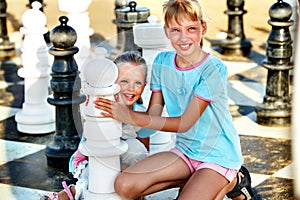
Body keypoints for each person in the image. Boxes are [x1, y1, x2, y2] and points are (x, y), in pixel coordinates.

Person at [95, 0, 256, 199]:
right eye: (175, 30)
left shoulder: (213, 69)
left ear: (203, 28)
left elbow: (184, 124)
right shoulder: (163, 62)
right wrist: (117, 111)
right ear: (166, 31)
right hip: (186, 152)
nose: (183, 37)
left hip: (218, 156)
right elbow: (153, 115)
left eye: (191, 28)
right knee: (124, 185)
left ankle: (234, 180)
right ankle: (196, 179)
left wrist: (128, 116)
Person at [41, 51, 155, 200]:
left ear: (145, 86)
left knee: (137, 152)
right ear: (111, 82)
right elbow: (92, 146)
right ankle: (72, 192)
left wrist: (133, 175)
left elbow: (143, 153)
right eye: (124, 81)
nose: (131, 88)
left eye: (137, 83)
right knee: (97, 181)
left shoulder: (140, 114)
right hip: (90, 160)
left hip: (122, 162)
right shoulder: (101, 106)